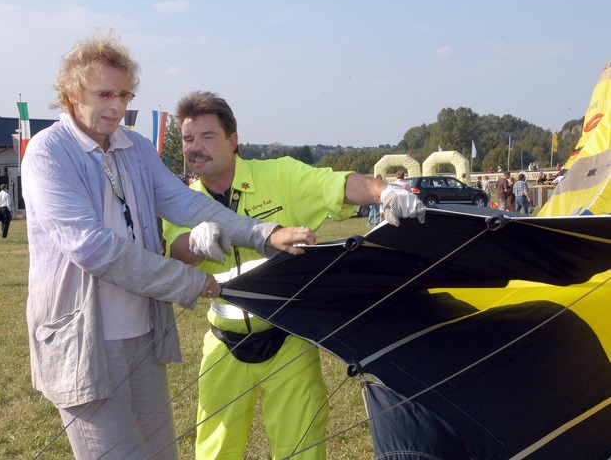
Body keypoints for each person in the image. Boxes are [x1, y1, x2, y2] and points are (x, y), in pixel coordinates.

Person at [21, 32, 315, 460]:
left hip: (141, 330)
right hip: (83, 340)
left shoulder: (135, 147)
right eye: (105, 93)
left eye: (125, 94)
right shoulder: (48, 153)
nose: (118, 106)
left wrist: (262, 234)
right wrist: (195, 282)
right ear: (70, 93)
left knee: (161, 454)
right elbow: (93, 248)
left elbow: (185, 202)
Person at [162, 91, 426, 460]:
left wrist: (386, 192)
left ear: (233, 141)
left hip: (288, 339)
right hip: (223, 343)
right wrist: (195, 241)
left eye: (207, 137)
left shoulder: (279, 174)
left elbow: (336, 184)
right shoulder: (180, 200)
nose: (195, 148)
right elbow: (174, 247)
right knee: (214, 448)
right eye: (188, 139)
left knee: (300, 447)